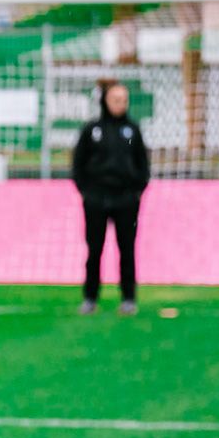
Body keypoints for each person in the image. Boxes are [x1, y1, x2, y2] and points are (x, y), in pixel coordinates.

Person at [72, 80, 149, 315]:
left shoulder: (133, 130)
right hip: (96, 200)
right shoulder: (91, 130)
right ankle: (90, 298)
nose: (121, 104)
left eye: (124, 100)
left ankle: (128, 298)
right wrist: (87, 192)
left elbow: (143, 166)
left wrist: (135, 191)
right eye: (116, 100)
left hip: (126, 200)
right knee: (94, 250)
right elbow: (78, 165)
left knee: (127, 250)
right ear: (105, 101)